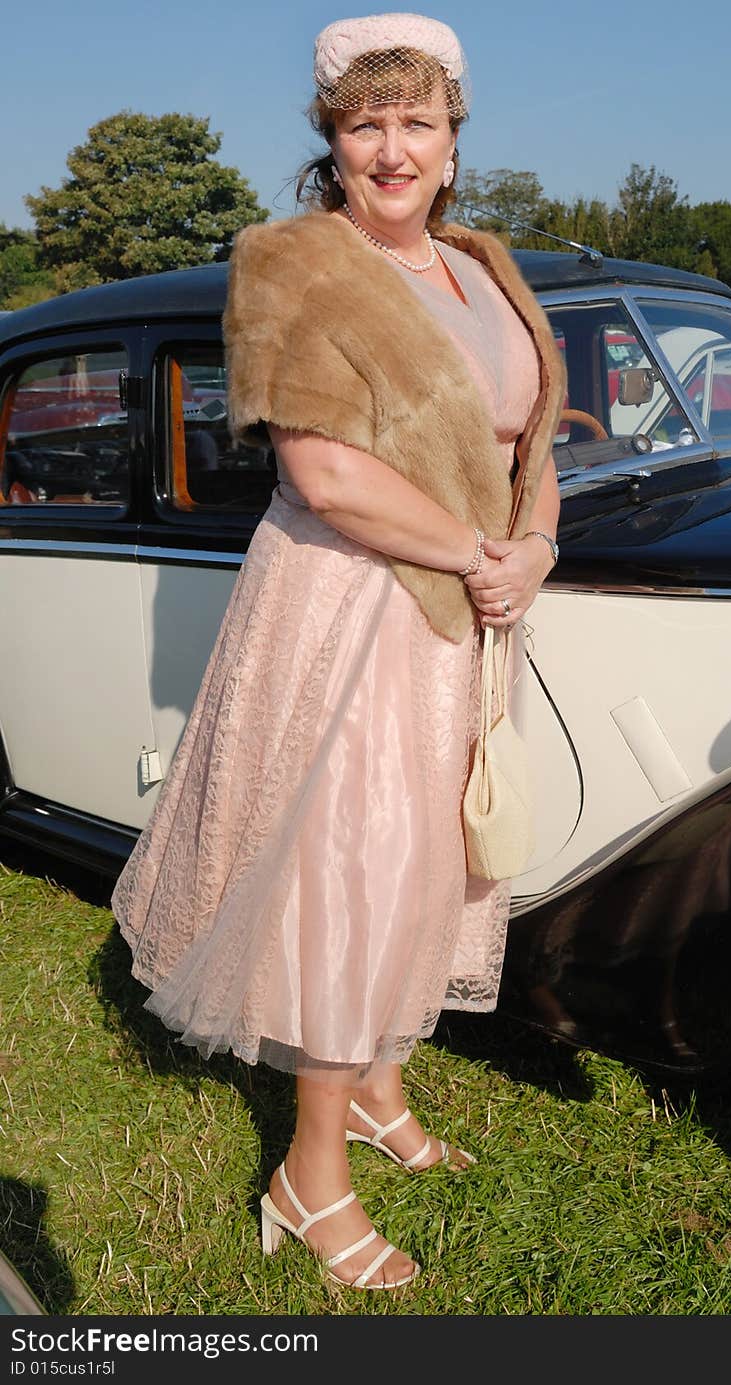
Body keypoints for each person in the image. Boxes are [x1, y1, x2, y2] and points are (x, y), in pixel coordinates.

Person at [110, 11, 566, 1291]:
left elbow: (536, 446)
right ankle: (306, 1180)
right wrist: (483, 558)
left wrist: (532, 545)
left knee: (427, 852)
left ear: (454, 142)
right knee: (349, 873)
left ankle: (373, 1086)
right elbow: (323, 472)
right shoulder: (294, 265)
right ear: (332, 140)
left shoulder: (482, 266)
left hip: (463, 606)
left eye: (416, 120)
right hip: (352, 606)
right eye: (365, 122)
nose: (392, 147)